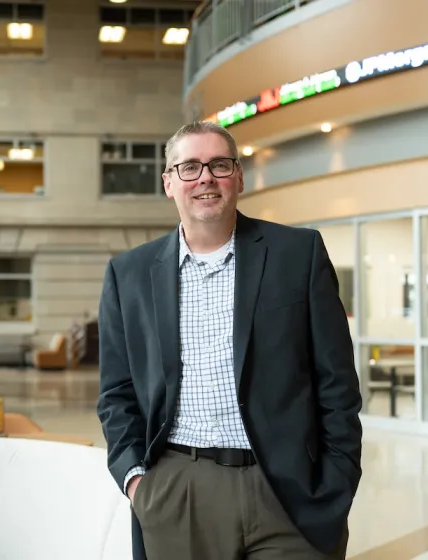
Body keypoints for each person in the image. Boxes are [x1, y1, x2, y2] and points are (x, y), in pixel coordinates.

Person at [96, 121, 363, 560]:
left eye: (219, 164)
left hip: (288, 490)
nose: (205, 177)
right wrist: (136, 481)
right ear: (168, 183)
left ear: (238, 176)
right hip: (178, 489)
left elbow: (336, 380)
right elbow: (116, 392)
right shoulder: (129, 275)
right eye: (189, 167)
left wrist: (337, 478)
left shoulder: (298, 254)